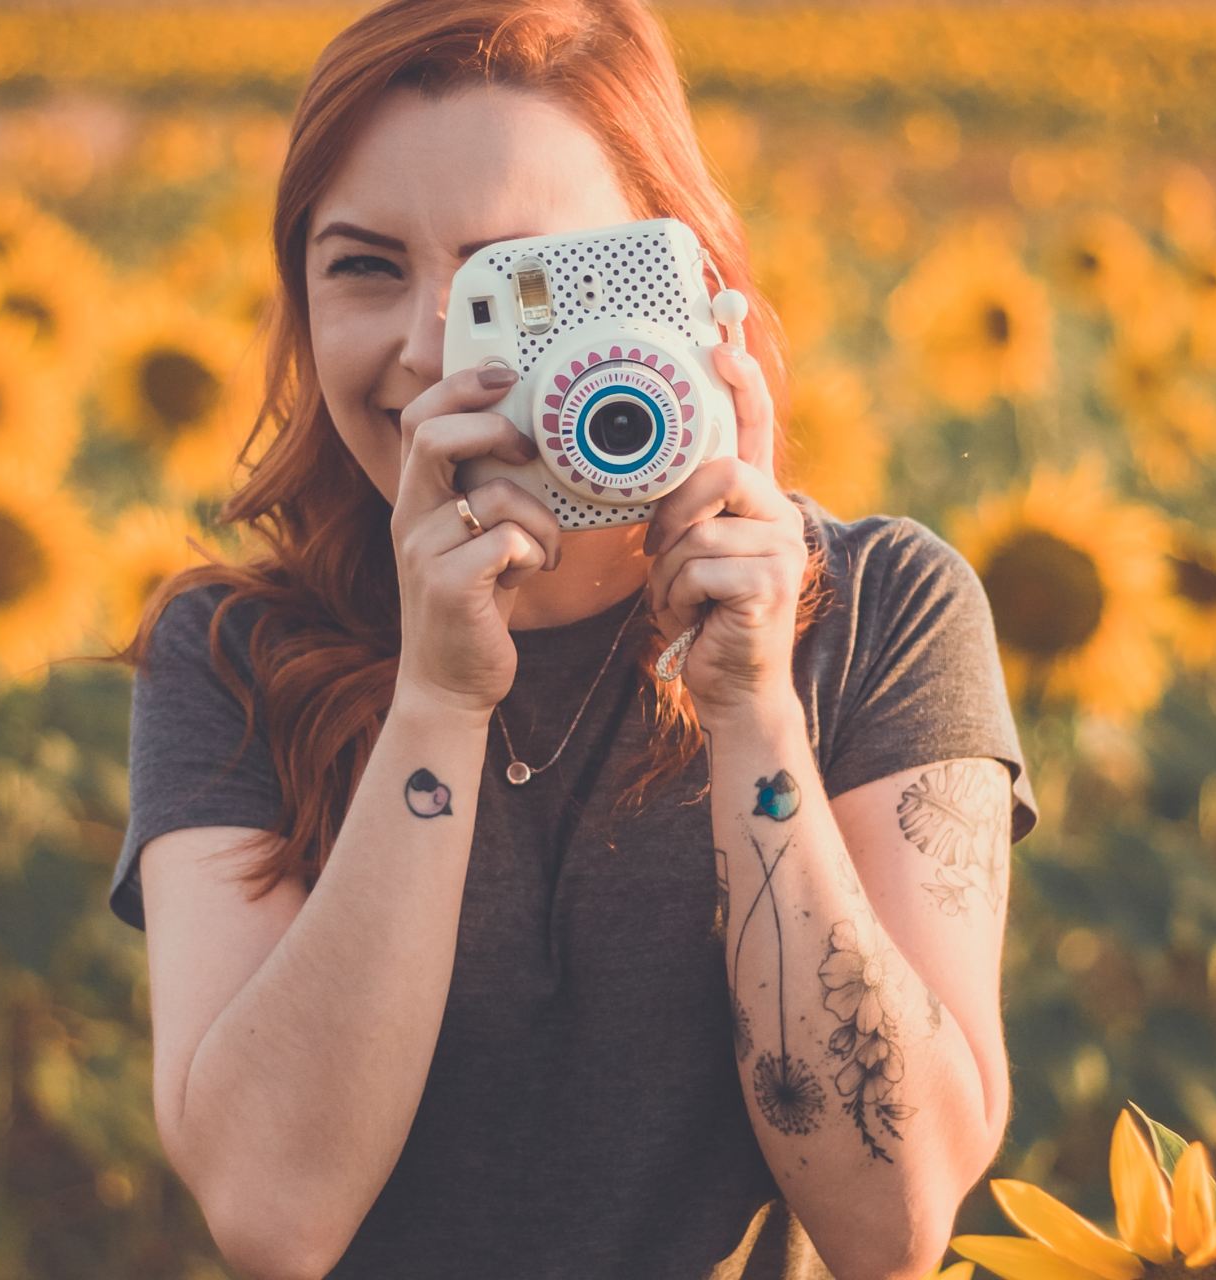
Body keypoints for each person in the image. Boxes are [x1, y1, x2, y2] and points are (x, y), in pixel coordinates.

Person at [106, 1, 1040, 1276]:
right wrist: (437, 700)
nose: (434, 346)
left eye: (518, 282)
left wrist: (755, 708)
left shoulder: (883, 613)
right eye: (365, 267)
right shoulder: (233, 651)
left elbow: (896, 1218)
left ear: (680, 292)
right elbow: (274, 1211)